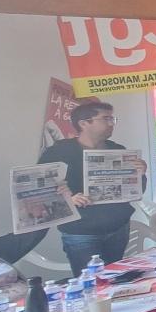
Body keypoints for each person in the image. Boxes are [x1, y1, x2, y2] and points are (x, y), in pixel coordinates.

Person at [38, 102, 147, 276]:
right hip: (81, 232)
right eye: (106, 119)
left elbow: (137, 191)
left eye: (113, 119)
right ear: (84, 123)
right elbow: (41, 189)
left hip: (117, 228)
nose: (111, 123)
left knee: (116, 281)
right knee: (91, 285)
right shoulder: (59, 152)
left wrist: (140, 174)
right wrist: (69, 200)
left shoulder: (117, 150)